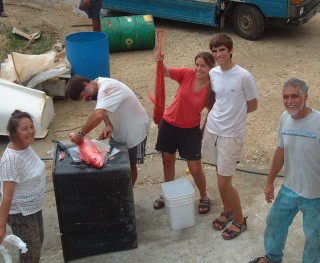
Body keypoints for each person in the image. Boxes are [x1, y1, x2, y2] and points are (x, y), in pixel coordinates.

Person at [249, 78, 320, 263]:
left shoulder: (318, 122)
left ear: (306, 96)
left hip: (315, 195)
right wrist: (269, 182)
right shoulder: (284, 118)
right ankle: (272, 258)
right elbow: (280, 151)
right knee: (274, 222)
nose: (290, 101)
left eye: (294, 96)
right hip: (289, 188)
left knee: (315, 237)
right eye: (285, 97)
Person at [202, 33, 258, 239]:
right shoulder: (214, 73)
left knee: (224, 182)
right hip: (213, 129)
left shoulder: (244, 76)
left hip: (231, 135)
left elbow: (252, 105)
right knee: (219, 175)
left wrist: (233, 116)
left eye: (222, 50)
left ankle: (240, 220)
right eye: (215, 51)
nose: (218, 54)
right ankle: (227, 210)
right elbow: (217, 98)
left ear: (230, 50)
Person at [153, 51, 216, 214]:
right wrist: (160, 61)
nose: (198, 69)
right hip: (169, 124)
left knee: (195, 168)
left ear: (211, 68)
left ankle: (204, 196)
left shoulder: (213, 87)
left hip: (190, 130)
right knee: (167, 160)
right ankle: (168, 194)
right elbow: (165, 72)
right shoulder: (187, 73)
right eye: (197, 64)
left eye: (203, 66)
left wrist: (206, 131)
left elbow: (213, 110)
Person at [66, 75, 150, 186]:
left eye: (82, 96)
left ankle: (128, 193)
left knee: (130, 165)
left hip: (136, 131)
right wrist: (108, 125)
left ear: (85, 85)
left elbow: (98, 115)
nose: (85, 99)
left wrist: (81, 135)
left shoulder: (107, 88)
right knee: (115, 162)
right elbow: (102, 110)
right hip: (120, 131)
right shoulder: (94, 93)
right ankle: (120, 188)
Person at [0, 110, 46, 262]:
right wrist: (1, 227)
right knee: (30, 253)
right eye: (24, 129)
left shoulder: (25, 147)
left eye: (31, 127)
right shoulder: (11, 159)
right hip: (21, 213)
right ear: (14, 133)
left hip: (33, 208)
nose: (31, 131)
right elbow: (7, 196)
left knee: (36, 245)